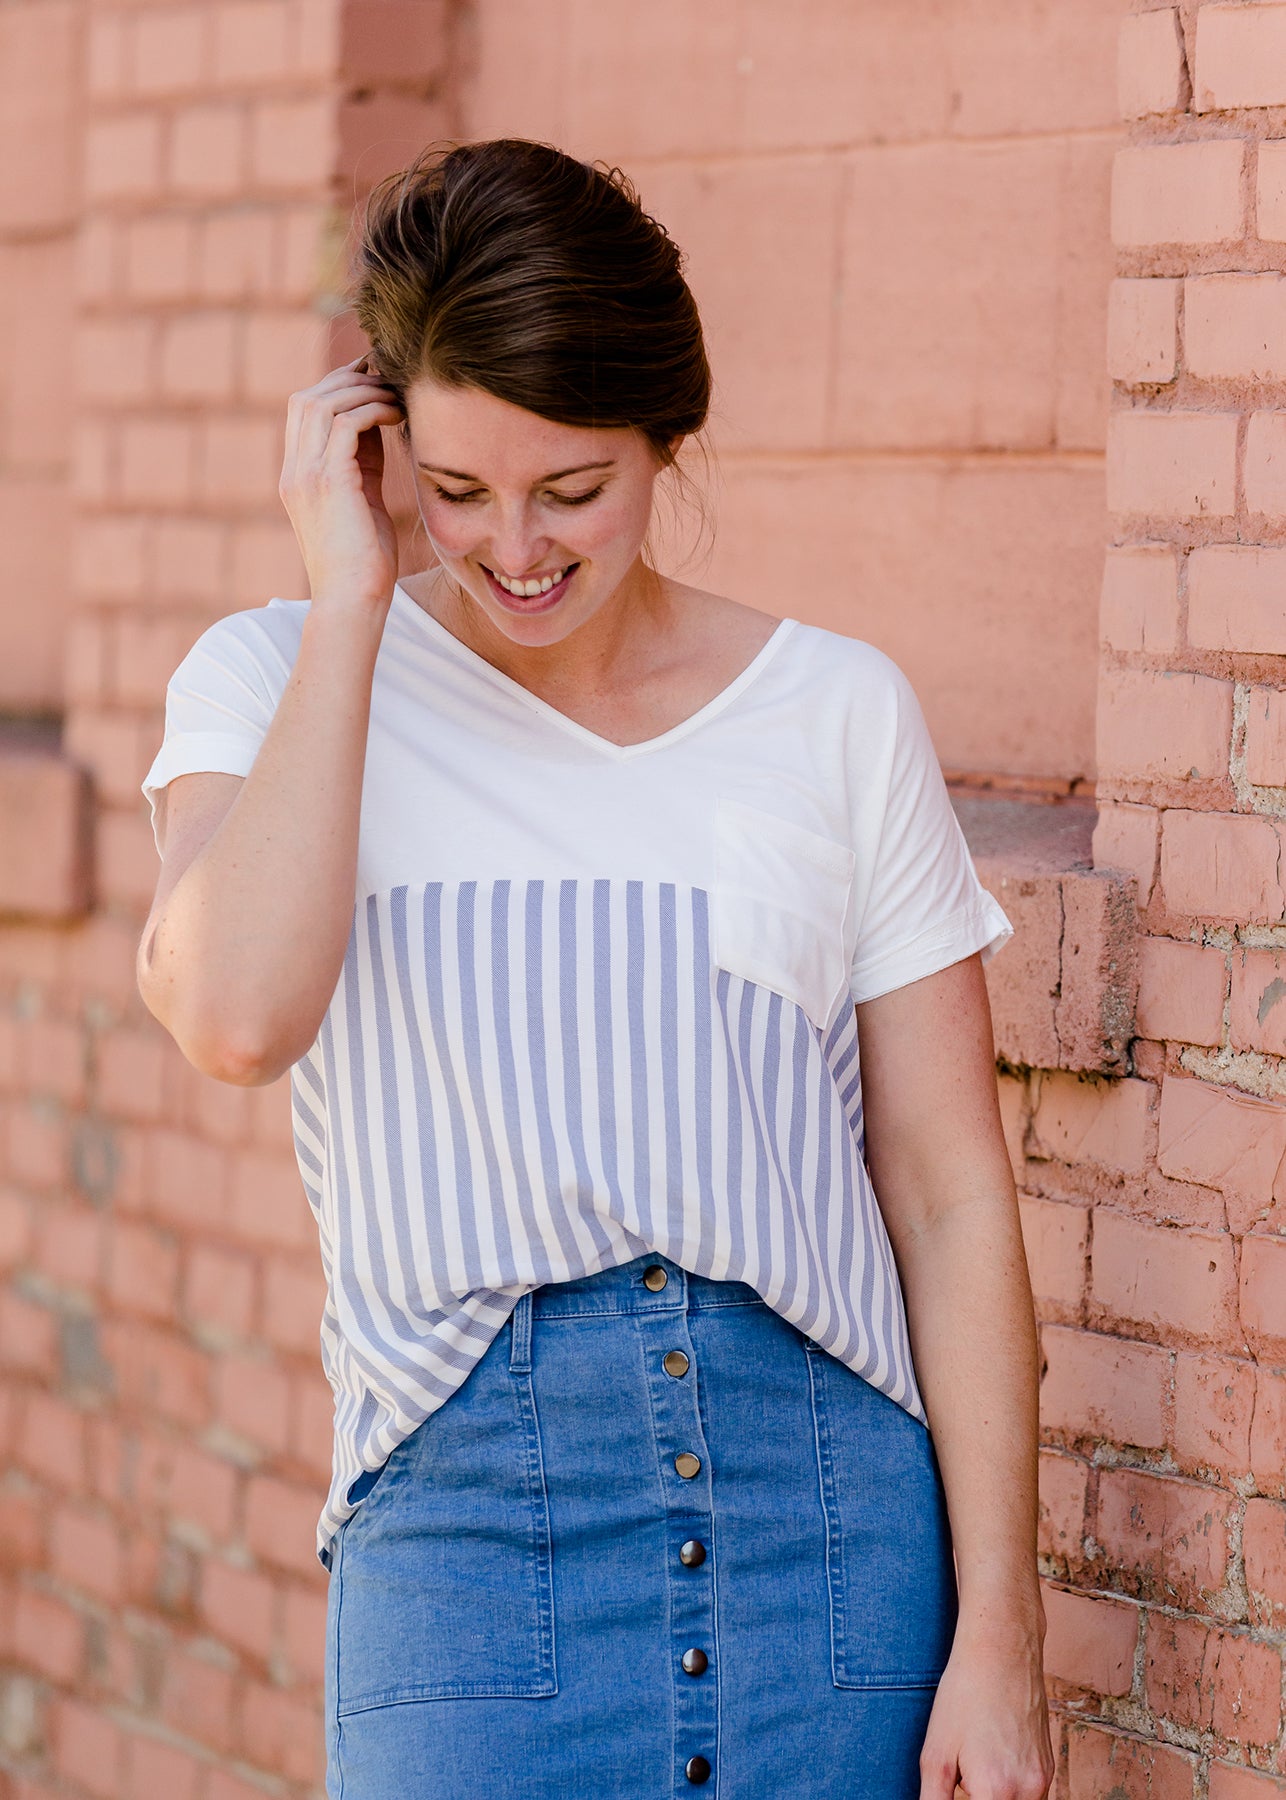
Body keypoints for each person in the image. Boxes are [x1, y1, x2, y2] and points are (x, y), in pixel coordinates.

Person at [137, 138, 1053, 1800]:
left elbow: (943, 1193)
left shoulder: (832, 714)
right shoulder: (272, 678)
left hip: (829, 1540)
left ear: (664, 442)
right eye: (458, 489)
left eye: (574, 489)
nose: (516, 552)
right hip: (469, 1543)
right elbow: (233, 1015)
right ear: (381, 445)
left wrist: (1001, 1627)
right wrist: (354, 602)